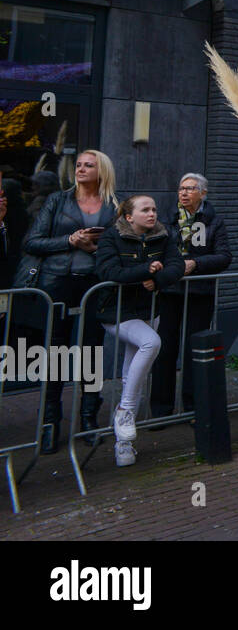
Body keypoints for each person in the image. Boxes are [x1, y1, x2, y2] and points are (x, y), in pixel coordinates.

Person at [21, 150, 118, 453]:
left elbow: (120, 246)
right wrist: (70, 241)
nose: (81, 169)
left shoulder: (114, 205)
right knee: (55, 352)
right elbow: (31, 241)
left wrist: (97, 248)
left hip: (95, 284)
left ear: (101, 170)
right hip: (57, 283)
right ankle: (50, 422)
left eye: (88, 165)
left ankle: (88, 418)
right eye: (78, 165)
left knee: (91, 351)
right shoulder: (57, 201)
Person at [94, 195, 182, 467]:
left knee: (133, 373)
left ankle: (124, 446)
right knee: (151, 343)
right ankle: (124, 411)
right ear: (129, 216)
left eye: (154, 209)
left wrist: (156, 281)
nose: (152, 213)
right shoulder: (112, 237)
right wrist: (145, 269)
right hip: (117, 312)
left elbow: (177, 266)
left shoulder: (163, 236)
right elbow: (108, 270)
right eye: (145, 210)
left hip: (148, 311)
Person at [151, 173, 231, 417]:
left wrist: (196, 263)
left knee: (194, 349)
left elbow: (224, 256)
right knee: (165, 349)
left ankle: (192, 406)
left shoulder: (214, 222)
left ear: (203, 193)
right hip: (171, 292)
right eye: (181, 189)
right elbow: (157, 249)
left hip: (199, 293)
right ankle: (161, 409)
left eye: (190, 189)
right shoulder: (169, 220)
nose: (184, 193)